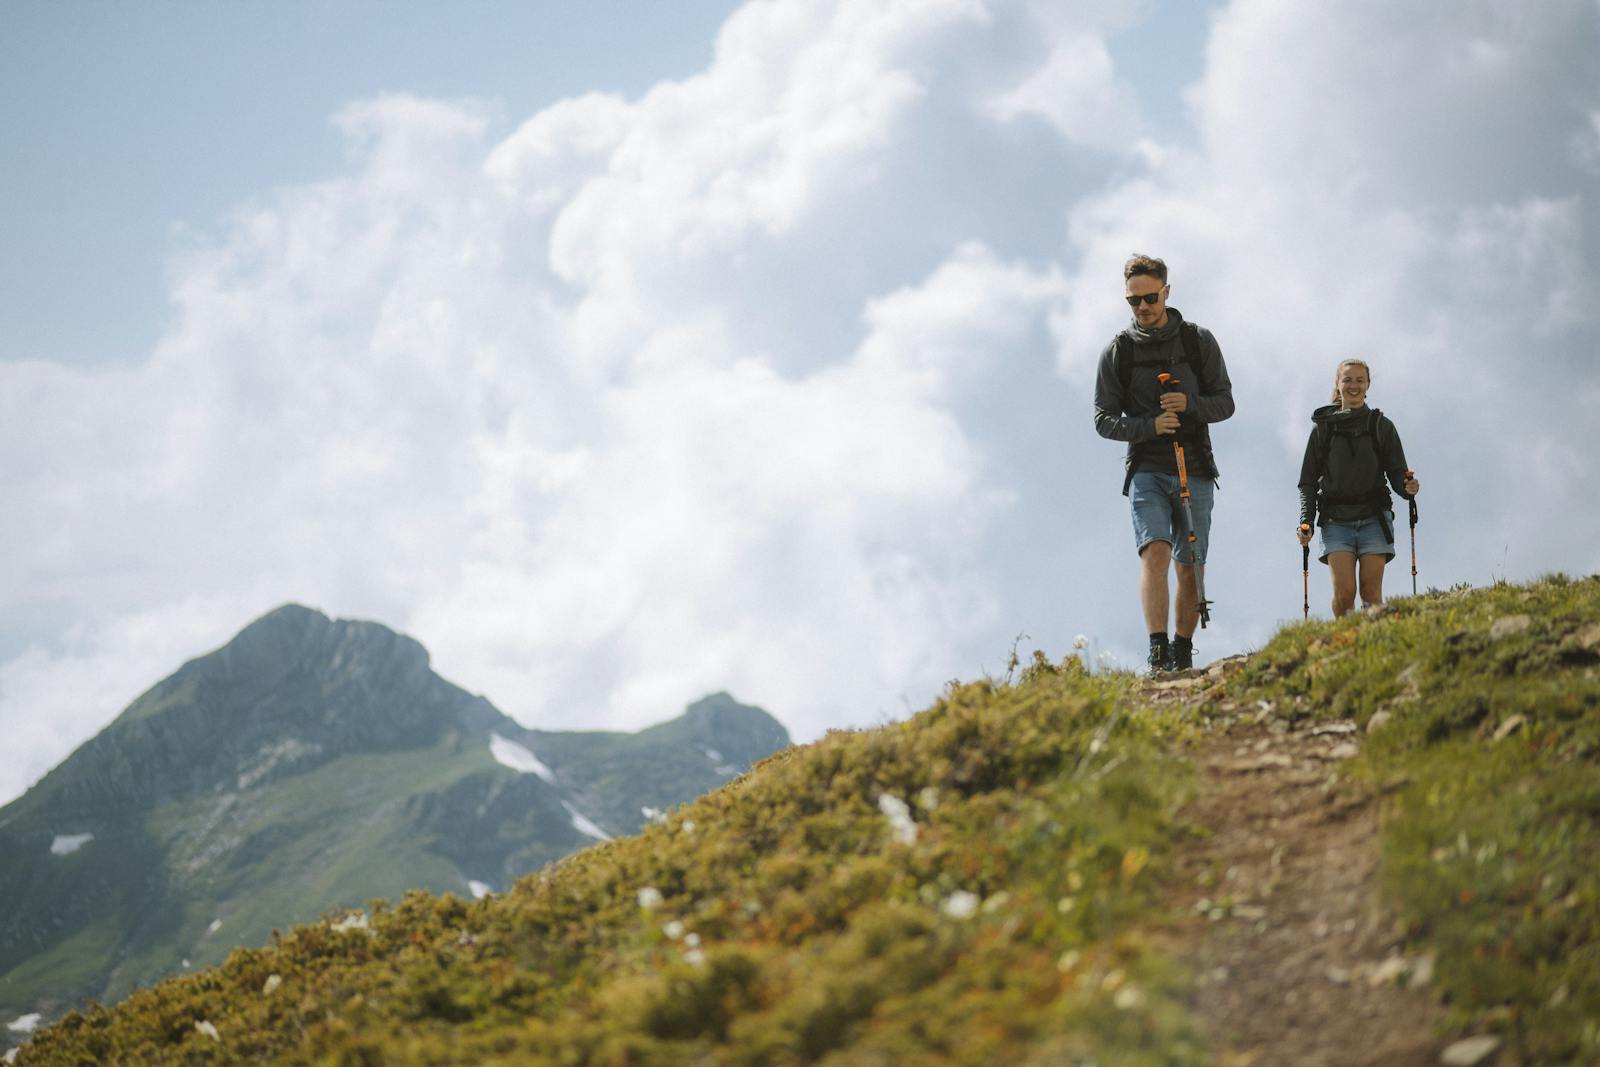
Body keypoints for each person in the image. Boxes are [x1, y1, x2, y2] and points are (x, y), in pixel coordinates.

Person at [1094, 254, 1235, 674]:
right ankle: (1157, 649)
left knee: (1189, 562)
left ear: (1166, 292)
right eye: (1133, 301)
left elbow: (1225, 403)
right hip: (1147, 469)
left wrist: (1189, 405)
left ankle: (1182, 648)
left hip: (1196, 467)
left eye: (1150, 297)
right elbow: (1103, 419)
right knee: (1154, 553)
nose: (1142, 307)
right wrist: (1148, 425)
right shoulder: (1117, 352)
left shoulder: (1198, 341)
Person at [1295, 359, 1420, 616]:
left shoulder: (1381, 426)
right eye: (1347, 380)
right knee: (1344, 594)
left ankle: (1370, 646)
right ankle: (1347, 643)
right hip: (1335, 521)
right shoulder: (1323, 429)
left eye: (1359, 380)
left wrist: (1406, 487)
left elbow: (1396, 472)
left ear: (1368, 386)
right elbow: (1307, 482)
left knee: (1371, 592)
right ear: (1338, 385)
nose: (1353, 385)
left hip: (1375, 518)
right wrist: (1305, 521)